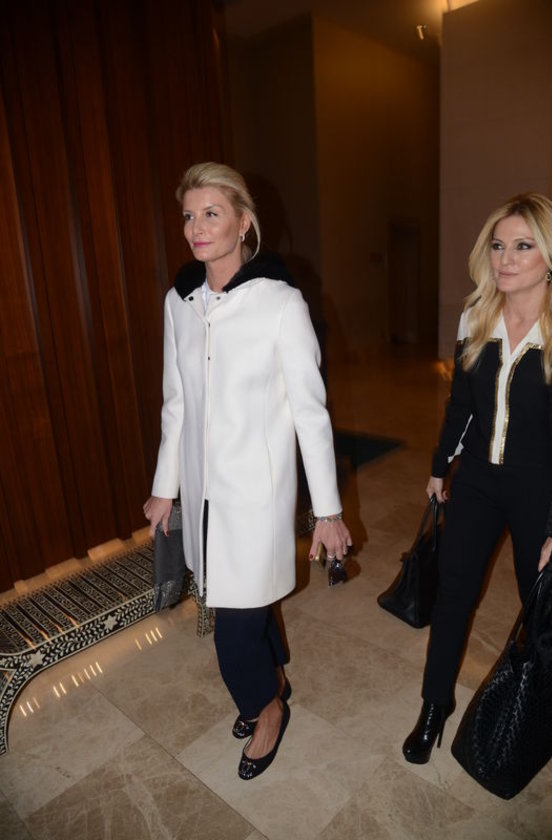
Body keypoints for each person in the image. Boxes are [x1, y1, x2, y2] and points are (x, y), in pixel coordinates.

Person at [143, 162, 352, 780]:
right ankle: (276, 680)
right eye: (189, 215)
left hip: (257, 498)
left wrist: (328, 510)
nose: (196, 227)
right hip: (204, 495)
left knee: (232, 633)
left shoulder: (281, 303)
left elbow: (311, 413)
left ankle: (265, 707)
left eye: (212, 214)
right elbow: (176, 403)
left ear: (243, 223)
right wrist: (164, 489)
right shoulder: (180, 302)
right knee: (238, 601)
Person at [402, 192, 552, 764]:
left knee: (539, 610)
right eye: (498, 246)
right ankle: (433, 705)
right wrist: (439, 466)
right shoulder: (476, 317)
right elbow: (461, 405)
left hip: (540, 489)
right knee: (453, 595)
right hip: (476, 482)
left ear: (550, 257)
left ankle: (537, 715)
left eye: (522, 246)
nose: (505, 259)